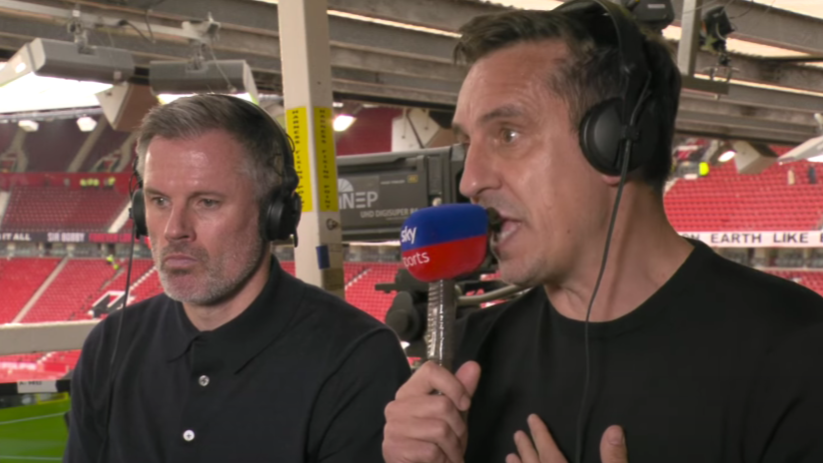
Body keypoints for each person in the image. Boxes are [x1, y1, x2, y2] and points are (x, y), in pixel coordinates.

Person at [382, 2, 823, 463]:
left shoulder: (799, 354)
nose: (470, 180)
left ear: (614, 143)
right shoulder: (467, 356)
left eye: (508, 135)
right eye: (467, 143)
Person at [65, 94, 411, 463]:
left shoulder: (358, 359)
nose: (174, 230)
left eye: (207, 202)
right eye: (159, 201)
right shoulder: (110, 344)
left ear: (274, 213)